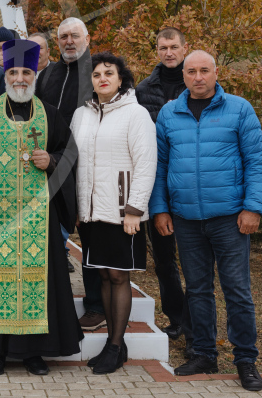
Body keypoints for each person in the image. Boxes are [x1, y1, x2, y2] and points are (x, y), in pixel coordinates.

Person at [150, 51, 262, 391]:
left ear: (216, 73)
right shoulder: (170, 114)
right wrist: (160, 209)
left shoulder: (239, 109)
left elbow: (256, 160)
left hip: (230, 218)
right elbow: (160, 167)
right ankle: (203, 352)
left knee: (237, 291)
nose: (198, 77)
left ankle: (245, 359)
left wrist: (253, 207)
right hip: (186, 219)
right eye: (191, 71)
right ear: (183, 76)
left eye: (204, 70)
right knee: (198, 290)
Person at [0, 40, 83, 375]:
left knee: (37, 283)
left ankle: (34, 352)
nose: (20, 78)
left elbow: (70, 155)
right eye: (14, 72)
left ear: (34, 75)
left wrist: (53, 161)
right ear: (6, 75)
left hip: (38, 221)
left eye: (26, 72)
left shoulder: (50, 115)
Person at [71, 52, 157, 374]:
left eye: (109, 73)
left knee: (119, 276)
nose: (102, 78)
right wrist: (79, 208)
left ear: (122, 78)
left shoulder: (136, 114)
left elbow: (146, 164)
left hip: (122, 213)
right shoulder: (82, 115)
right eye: (96, 74)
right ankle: (112, 344)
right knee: (104, 275)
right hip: (92, 214)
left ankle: (116, 345)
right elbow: (76, 162)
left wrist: (134, 210)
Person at [34, 17, 102, 331]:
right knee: (50, 237)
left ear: (87, 38)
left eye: (75, 35)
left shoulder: (100, 71)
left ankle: (95, 305)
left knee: (90, 239)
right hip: (50, 166)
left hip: (89, 167)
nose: (69, 41)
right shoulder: (47, 74)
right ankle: (49, 302)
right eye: (63, 37)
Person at [134, 28, 192, 351]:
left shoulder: (196, 84)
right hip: (159, 188)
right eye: (163, 47)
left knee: (194, 262)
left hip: (190, 185)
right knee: (166, 261)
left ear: (184, 48)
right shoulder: (144, 90)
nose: (169, 52)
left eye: (174, 46)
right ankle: (177, 318)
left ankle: (197, 323)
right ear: (156, 51)